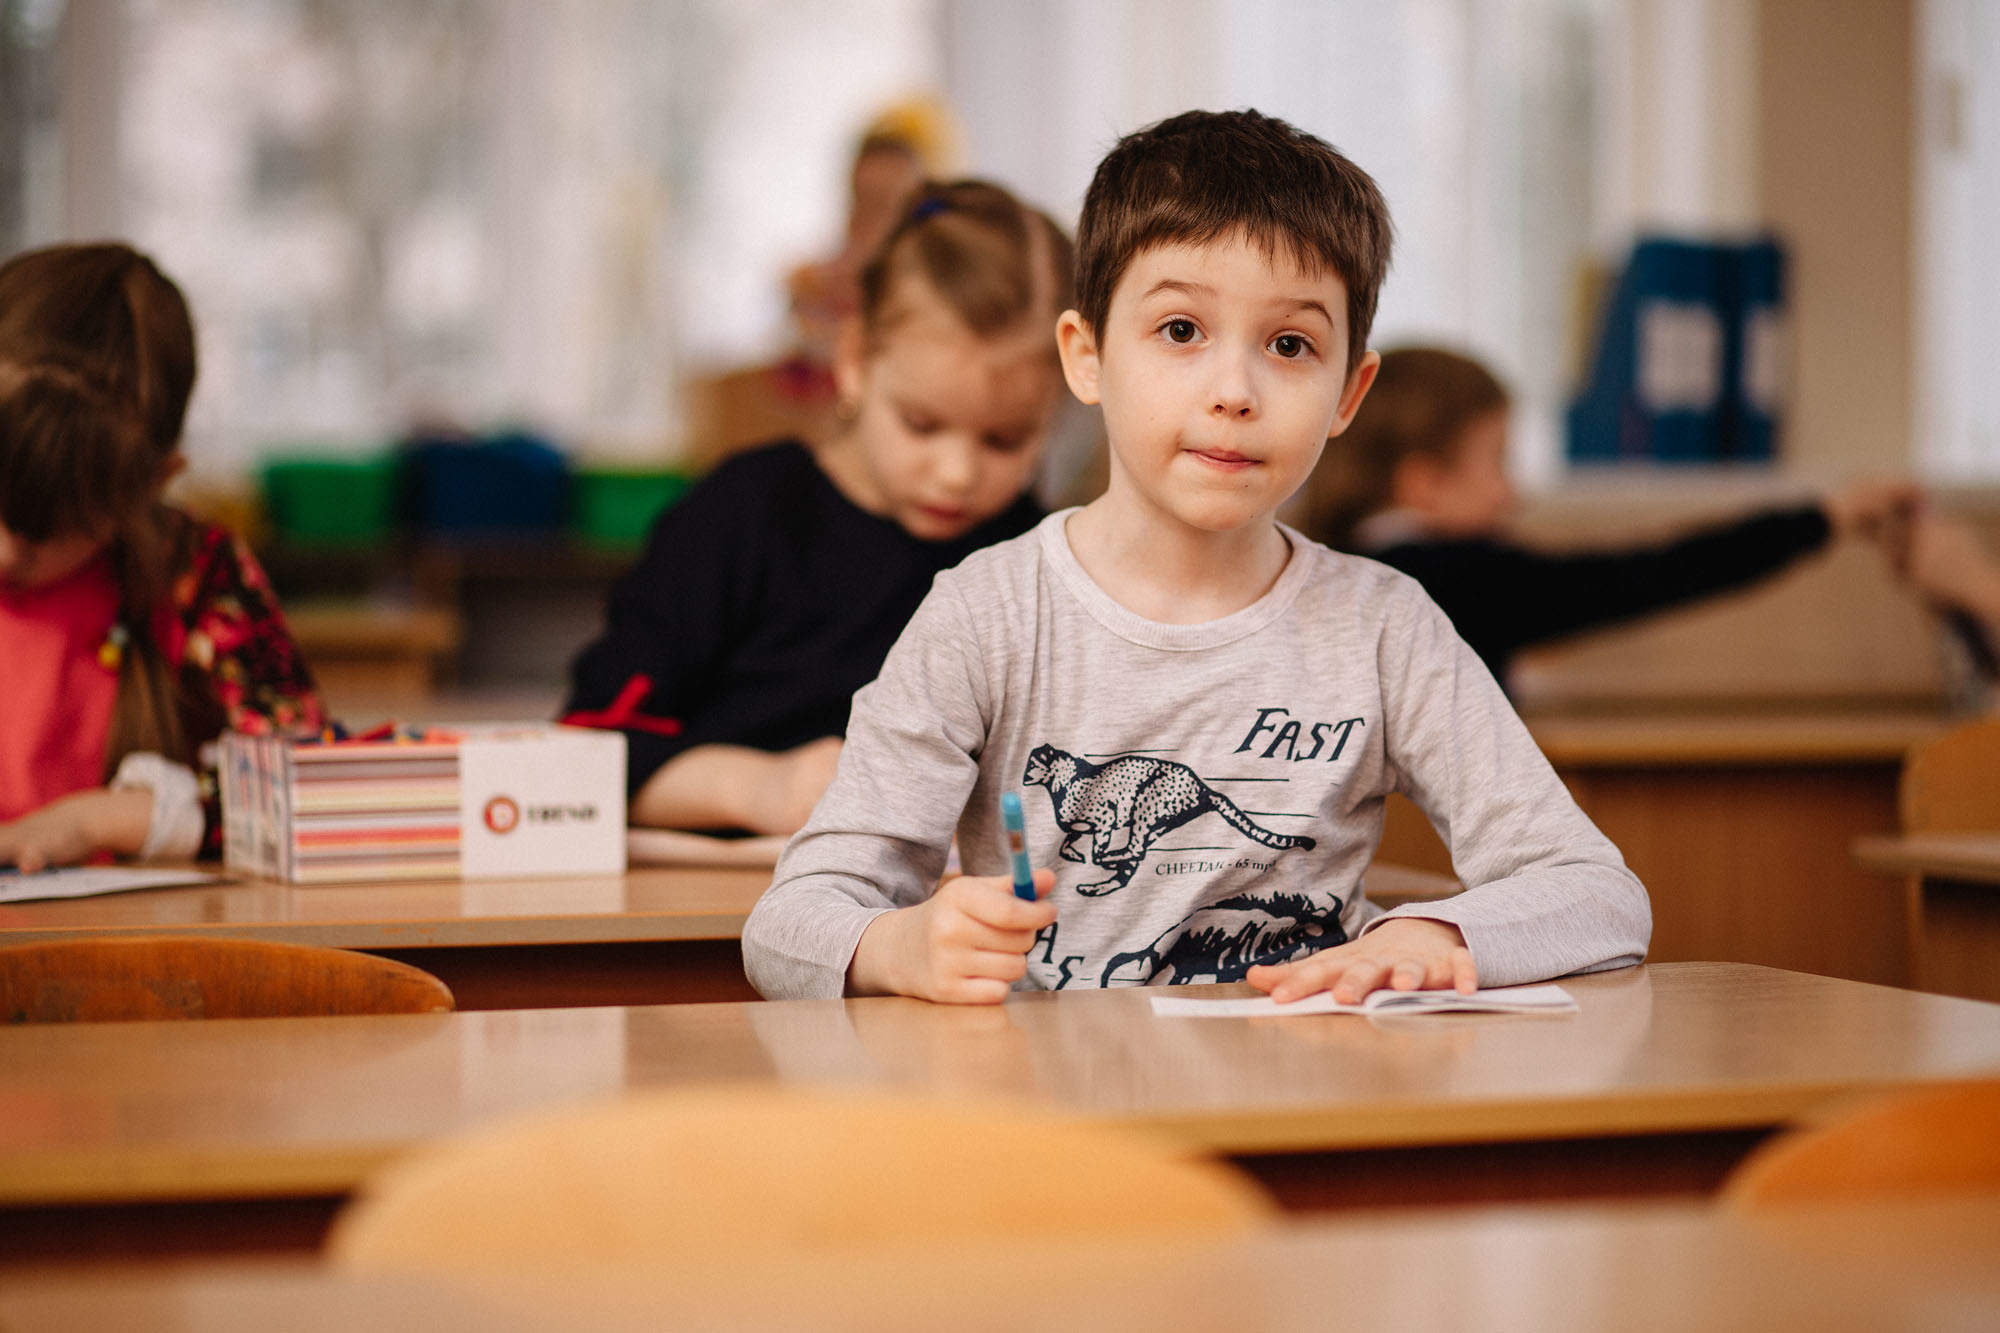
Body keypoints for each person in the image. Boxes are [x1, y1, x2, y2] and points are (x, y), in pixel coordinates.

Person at [743, 109, 1651, 1005]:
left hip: (1309, 1113)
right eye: (1181, 330)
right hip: (1059, 1121)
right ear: (1087, 354)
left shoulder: (1386, 626)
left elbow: (1601, 897)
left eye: (1291, 345)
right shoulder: (985, 615)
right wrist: (896, 944)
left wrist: (1437, 931)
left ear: (1349, 391)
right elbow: (788, 924)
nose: (1234, 392)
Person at [564, 179, 1075, 836]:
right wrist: (756, 788)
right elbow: (582, 756)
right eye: (921, 424)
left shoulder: (1031, 550)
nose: (957, 473)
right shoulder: (741, 517)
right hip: (712, 916)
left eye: (1006, 440)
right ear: (856, 360)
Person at [1298, 345, 1920, 686]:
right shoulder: (1455, 580)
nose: (1512, 494)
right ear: (1425, 482)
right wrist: (1826, 516)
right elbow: (1654, 573)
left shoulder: (1327, 572)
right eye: (1497, 461)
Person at [0, 242, 323, 870]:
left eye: (49, 529)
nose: (4, 550)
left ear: (153, 482)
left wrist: (105, 818)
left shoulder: (196, 573)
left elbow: (312, 791)